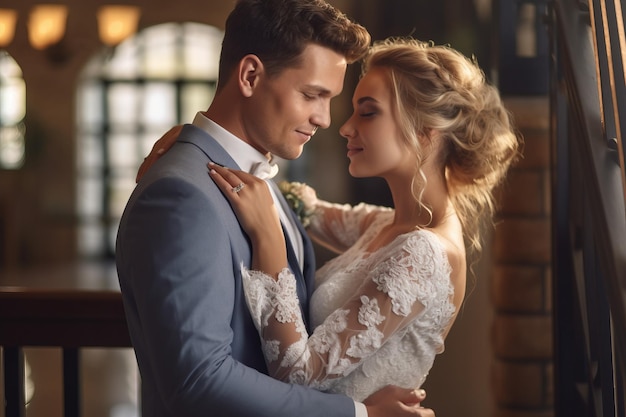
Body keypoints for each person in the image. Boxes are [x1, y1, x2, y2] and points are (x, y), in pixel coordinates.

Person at [116, 0, 435, 416]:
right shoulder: (181, 196)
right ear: (250, 75)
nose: (324, 119)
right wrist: (360, 414)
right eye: (311, 95)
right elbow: (198, 380)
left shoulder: (255, 176)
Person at [205, 37, 522, 400]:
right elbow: (300, 207)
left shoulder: (423, 253)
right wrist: (202, 141)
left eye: (367, 112)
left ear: (425, 132)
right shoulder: (384, 224)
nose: (344, 127)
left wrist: (269, 245)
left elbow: (300, 375)